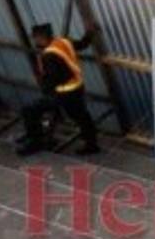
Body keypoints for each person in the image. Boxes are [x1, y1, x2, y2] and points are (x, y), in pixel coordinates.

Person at [18, 23, 99, 156]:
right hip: (77, 87)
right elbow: (82, 44)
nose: (35, 41)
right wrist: (89, 34)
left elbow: (53, 78)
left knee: (29, 110)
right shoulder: (63, 42)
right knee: (82, 116)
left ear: (41, 38)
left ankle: (35, 142)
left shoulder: (49, 55)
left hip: (63, 93)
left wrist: (45, 88)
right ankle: (92, 144)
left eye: (36, 38)